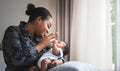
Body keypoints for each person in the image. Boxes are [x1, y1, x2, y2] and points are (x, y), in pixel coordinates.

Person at [2, 3, 65, 71]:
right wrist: (41, 45)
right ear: (39, 19)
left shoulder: (39, 38)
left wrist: (58, 62)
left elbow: (57, 56)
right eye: (48, 25)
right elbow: (17, 59)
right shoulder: (13, 31)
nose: (47, 30)